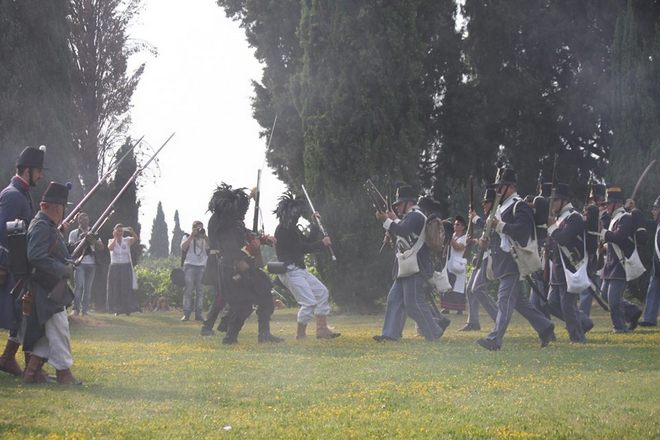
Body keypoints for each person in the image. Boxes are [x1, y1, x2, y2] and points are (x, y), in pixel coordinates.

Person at [476, 168, 555, 351]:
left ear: (510, 187)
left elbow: (522, 231)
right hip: (502, 261)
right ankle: (545, 326)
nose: (497, 191)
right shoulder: (502, 207)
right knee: (520, 302)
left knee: (504, 300)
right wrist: (487, 239)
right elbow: (498, 234)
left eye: (500, 187)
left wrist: (500, 225)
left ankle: (495, 339)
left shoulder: (520, 206)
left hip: (513, 261)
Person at [22, 182, 81, 384]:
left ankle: (31, 372)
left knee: (51, 331)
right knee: (60, 327)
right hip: (44, 286)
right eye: (63, 207)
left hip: (47, 286)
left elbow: (57, 252)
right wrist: (62, 269)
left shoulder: (47, 226)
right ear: (56, 207)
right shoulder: (41, 226)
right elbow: (36, 256)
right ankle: (64, 373)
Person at [208, 184, 282, 344]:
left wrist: (263, 239)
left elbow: (248, 236)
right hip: (232, 268)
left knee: (264, 297)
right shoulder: (225, 228)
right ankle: (230, 337)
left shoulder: (237, 224)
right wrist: (252, 246)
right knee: (243, 304)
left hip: (243, 266)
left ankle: (264, 334)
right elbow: (233, 253)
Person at [373, 185, 444, 342]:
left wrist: (386, 221)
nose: (397, 206)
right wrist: (392, 220)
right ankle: (390, 335)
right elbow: (402, 228)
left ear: (408, 203)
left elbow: (403, 230)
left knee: (413, 304)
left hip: (415, 267)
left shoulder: (415, 215)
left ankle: (434, 331)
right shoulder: (411, 217)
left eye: (400, 203)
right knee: (394, 299)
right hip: (406, 266)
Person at [0, 146, 44, 377]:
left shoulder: (23, 194)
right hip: (10, 267)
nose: (41, 175)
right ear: (27, 170)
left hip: (20, 267)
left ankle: (11, 359)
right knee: (17, 313)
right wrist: (3, 265)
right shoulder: (12, 195)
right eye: (38, 170)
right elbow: (2, 232)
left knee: (21, 313)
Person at [274, 191, 340, 340]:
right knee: (308, 302)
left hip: (299, 270)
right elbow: (302, 248)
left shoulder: (293, 229)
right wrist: (322, 244)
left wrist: (314, 225)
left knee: (322, 292)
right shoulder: (283, 230)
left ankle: (321, 329)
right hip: (290, 271)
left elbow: (308, 241)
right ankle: (300, 335)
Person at [546, 183, 588, 343]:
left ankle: (577, 337)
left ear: (563, 201)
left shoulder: (574, 217)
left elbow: (564, 238)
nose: (553, 205)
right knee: (553, 303)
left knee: (567, 305)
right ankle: (582, 324)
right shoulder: (560, 218)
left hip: (569, 267)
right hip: (557, 268)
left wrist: (552, 227)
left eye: (555, 201)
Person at [600, 187, 643, 333]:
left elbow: (619, 237)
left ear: (616, 203)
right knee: (604, 294)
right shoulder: (614, 219)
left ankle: (620, 327)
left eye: (608, 204)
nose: (606, 207)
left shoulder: (625, 218)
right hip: (611, 263)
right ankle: (632, 311)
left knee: (613, 300)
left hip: (620, 264)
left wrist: (604, 233)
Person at [460, 185, 499, 331]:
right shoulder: (490, 217)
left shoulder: (497, 215)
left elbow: (492, 232)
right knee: (470, 288)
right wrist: (474, 241)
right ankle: (473, 322)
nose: (484, 204)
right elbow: (486, 238)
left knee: (477, 289)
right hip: (483, 256)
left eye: (487, 202)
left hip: (491, 257)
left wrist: (475, 219)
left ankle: (499, 318)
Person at [67, 212, 103, 316]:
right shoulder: (74, 233)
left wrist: (93, 240)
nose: (85, 221)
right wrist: (82, 239)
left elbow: (101, 247)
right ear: (79, 221)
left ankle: (85, 310)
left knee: (88, 288)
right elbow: (71, 247)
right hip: (79, 263)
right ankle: (76, 308)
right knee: (79, 287)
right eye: (82, 219)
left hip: (92, 263)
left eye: (86, 219)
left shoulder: (94, 232)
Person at [107, 223, 139, 316]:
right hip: (115, 267)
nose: (120, 233)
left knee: (126, 288)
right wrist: (115, 238)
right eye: (118, 231)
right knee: (116, 288)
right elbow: (110, 248)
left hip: (125, 266)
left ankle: (127, 308)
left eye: (121, 231)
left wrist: (132, 231)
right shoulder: (111, 240)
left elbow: (136, 239)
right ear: (115, 231)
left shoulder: (127, 240)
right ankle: (117, 309)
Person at [180, 220, 209, 321]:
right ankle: (186, 313)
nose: (199, 230)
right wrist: (192, 236)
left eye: (201, 228)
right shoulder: (187, 236)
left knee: (200, 291)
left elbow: (212, 246)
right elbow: (183, 248)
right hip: (189, 266)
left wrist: (205, 236)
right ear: (193, 228)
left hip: (202, 266)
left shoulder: (204, 238)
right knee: (188, 290)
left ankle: (198, 314)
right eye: (198, 228)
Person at [640, 196, 660, 326]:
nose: (653, 211)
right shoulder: (658, 224)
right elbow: (644, 222)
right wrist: (633, 211)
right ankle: (649, 319)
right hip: (657, 267)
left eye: (656, 209)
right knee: (653, 290)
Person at [441, 216, 468, 314]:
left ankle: (459, 308)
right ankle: (447, 307)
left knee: (458, 287)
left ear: (463, 227)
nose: (455, 226)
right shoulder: (452, 236)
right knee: (448, 285)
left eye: (458, 224)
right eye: (455, 224)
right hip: (449, 263)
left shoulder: (464, 237)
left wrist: (450, 238)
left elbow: (458, 247)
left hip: (458, 265)